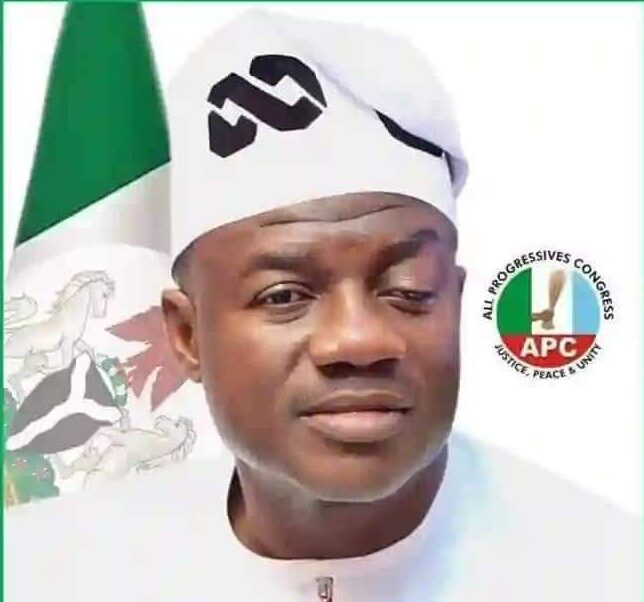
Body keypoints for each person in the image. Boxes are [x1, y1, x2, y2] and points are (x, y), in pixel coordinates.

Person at [5, 10, 639, 602]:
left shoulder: (604, 572)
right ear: (187, 336)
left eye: (409, 289)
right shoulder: (52, 572)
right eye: (284, 296)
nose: (358, 340)